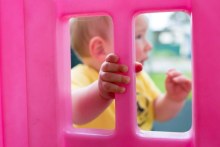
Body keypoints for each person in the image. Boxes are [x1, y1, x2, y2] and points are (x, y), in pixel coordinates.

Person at [70, 15, 192, 131]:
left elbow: (157, 111)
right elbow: (73, 112)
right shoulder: (79, 75)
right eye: (138, 36)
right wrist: (100, 92)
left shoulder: (139, 76)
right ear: (100, 49)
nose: (149, 46)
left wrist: (172, 99)